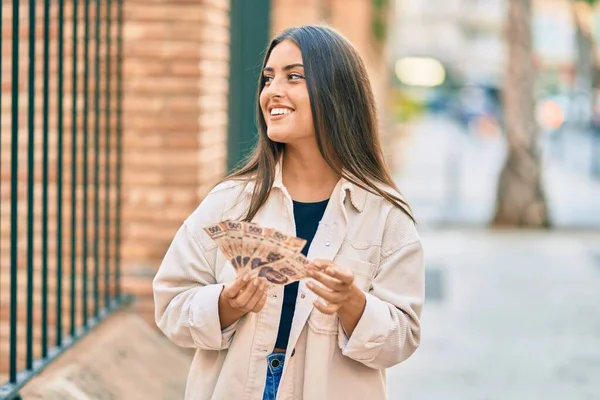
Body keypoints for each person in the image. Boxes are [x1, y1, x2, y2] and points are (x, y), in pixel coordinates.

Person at [153, 25, 424, 400]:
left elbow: (403, 340)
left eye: (294, 76)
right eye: (268, 78)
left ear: (337, 92)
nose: (272, 92)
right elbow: (170, 305)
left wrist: (353, 304)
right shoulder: (229, 201)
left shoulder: (386, 216)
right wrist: (225, 305)